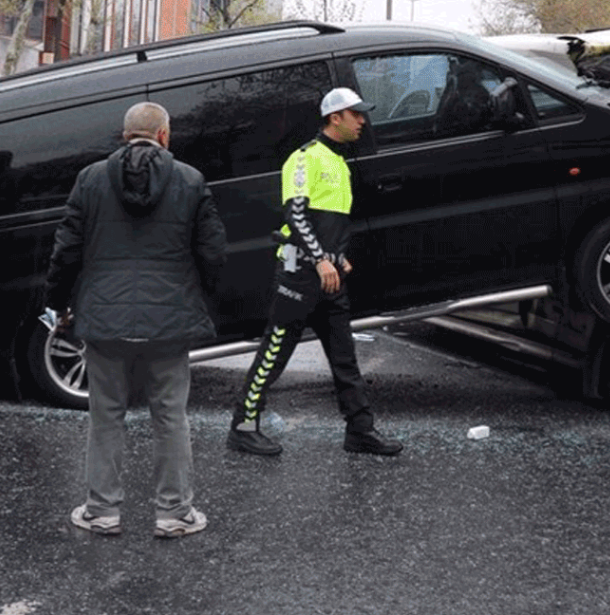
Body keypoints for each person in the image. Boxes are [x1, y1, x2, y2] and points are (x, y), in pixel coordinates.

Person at [44, 102, 226, 539]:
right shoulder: (190, 179)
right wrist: (202, 298)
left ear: (124, 135)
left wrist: (58, 304)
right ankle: (174, 512)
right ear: (164, 136)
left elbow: (65, 251)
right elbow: (213, 253)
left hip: (103, 317)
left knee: (105, 415)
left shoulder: (89, 180)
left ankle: (101, 510)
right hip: (169, 320)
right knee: (170, 415)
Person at [228, 87, 402, 457]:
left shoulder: (339, 162)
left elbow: (330, 222)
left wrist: (338, 256)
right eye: (356, 114)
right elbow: (296, 214)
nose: (362, 121)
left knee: (345, 358)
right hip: (300, 275)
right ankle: (243, 427)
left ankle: (360, 431)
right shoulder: (305, 158)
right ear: (334, 117)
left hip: (330, 275)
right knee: (274, 353)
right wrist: (322, 258)